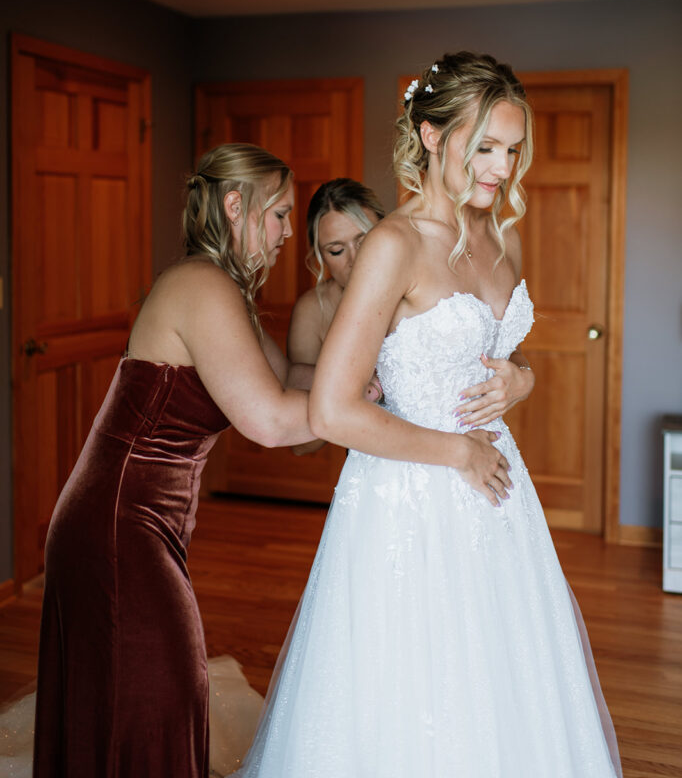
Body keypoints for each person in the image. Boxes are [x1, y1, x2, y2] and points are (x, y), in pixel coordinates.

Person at [31, 142, 498, 778]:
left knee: (135, 690)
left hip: (141, 518)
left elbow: (289, 379)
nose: (284, 233)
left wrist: (364, 373)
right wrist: (351, 403)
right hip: (117, 520)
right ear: (235, 206)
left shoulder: (224, 289)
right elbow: (272, 421)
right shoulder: (200, 285)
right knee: (163, 687)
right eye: (278, 215)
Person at [235, 55, 622, 777]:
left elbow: (500, 359)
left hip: (499, 501)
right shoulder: (394, 245)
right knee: (415, 690)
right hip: (408, 504)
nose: (502, 168)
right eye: (486, 147)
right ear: (431, 135)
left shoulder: (499, 238)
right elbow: (332, 409)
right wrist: (458, 452)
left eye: (513, 150)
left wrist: (522, 380)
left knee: (504, 684)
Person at [287, 178, 385, 453]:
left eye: (365, 240)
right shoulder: (313, 312)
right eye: (337, 250)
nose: (355, 260)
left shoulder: (421, 287)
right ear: (320, 256)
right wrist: (358, 390)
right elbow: (302, 444)